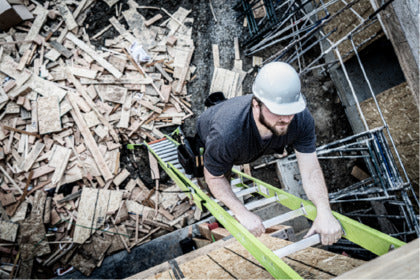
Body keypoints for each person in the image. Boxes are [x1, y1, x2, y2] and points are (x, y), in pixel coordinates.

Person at [195, 62, 342, 245]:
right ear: (256, 105)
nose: (287, 119)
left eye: (290, 112)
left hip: (250, 142)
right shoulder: (226, 135)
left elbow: (311, 169)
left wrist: (324, 210)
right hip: (211, 132)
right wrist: (241, 212)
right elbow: (214, 178)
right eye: (278, 112)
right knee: (218, 172)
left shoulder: (300, 118)